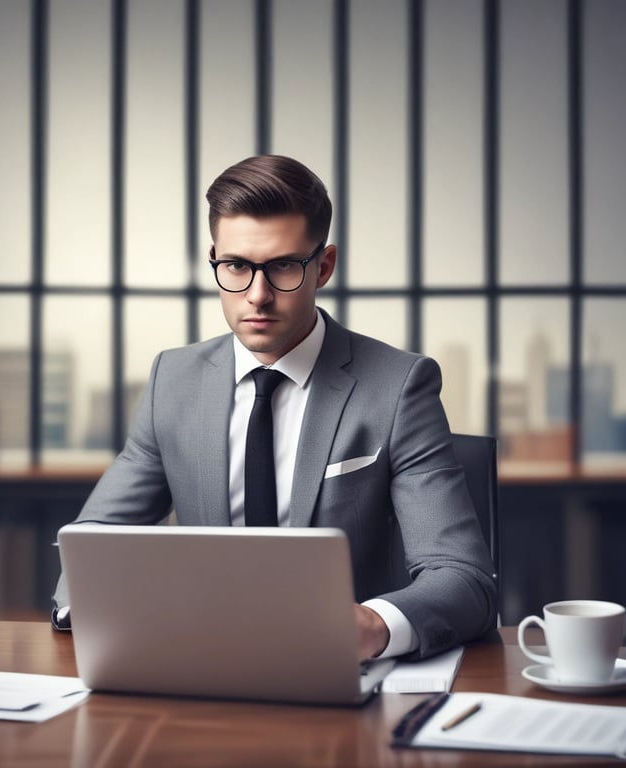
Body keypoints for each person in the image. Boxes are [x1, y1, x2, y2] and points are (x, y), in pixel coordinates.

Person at [52, 154, 498, 660]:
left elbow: (463, 580)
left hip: (338, 668)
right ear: (215, 260)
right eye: (237, 266)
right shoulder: (171, 381)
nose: (257, 296)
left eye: (284, 266)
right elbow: (94, 539)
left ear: (323, 266)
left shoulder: (398, 387)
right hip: (199, 662)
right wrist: (84, 606)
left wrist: (374, 625)